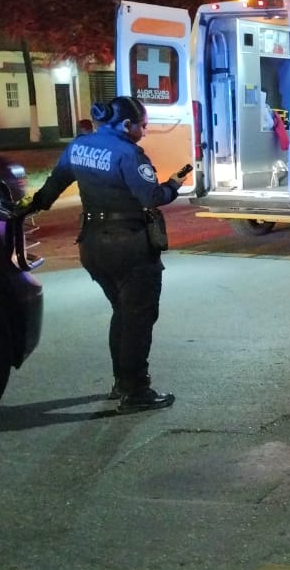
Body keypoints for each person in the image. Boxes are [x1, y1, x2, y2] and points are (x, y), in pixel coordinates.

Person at [20, 96, 183, 412]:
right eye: (143, 126)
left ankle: (122, 383)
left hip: (93, 245)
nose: (144, 132)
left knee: (122, 312)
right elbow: (150, 196)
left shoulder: (79, 146)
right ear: (126, 124)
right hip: (129, 246)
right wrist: (173, 185)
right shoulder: (128, 153)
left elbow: (50, 190)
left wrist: (28, 207)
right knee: (137, 318)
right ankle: (135, 391)